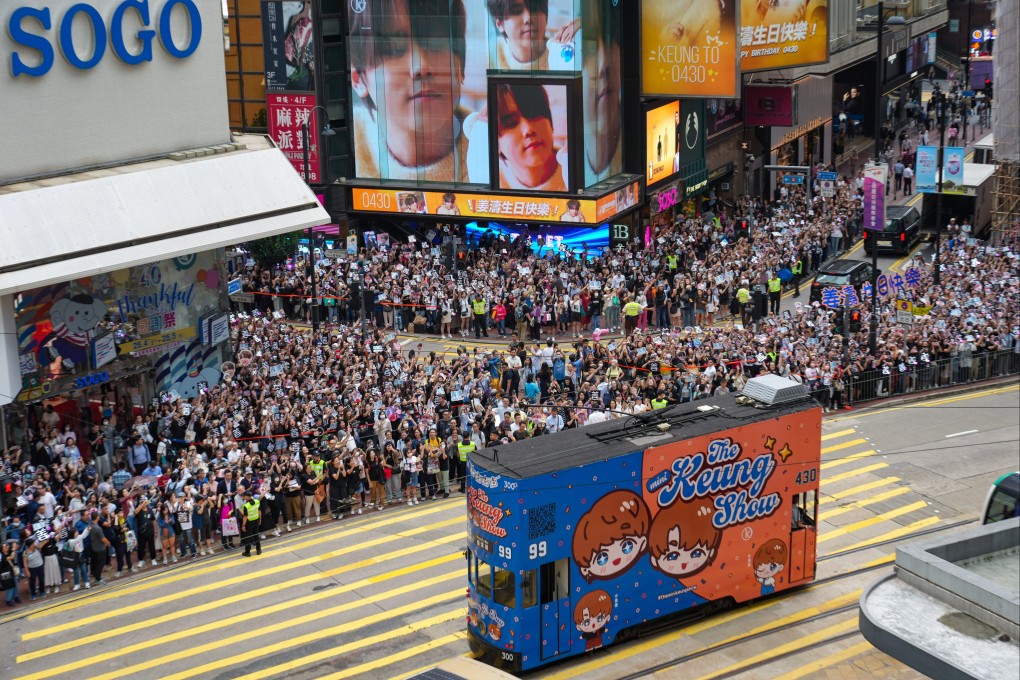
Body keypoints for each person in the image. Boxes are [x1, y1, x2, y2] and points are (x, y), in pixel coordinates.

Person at [349, 0, 477, 183]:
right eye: (394, 49)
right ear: (358, 79)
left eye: (435, 42)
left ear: (460, 63)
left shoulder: (496, 148)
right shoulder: (343, 143)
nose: (421, 66)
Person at [495, 83, 567, 191]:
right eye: (511, 123)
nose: (528, 129)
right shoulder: (489, 179)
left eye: (533, 114)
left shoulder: (572, 170)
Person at [485, 0, 550, 70]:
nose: (529, 18)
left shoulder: (559, 53)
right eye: (516, 11)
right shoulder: (489, 54)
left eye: (535, 8)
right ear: (499, 24)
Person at [240, 490, 262, 557]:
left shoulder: (246, 506)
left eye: (244, 496)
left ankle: (247, 552)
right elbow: (259, 511)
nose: (243, 497)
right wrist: (260, 519)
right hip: (256, 520)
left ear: (247, 497)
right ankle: (258, 550)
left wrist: (243, 525)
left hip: (249, 523)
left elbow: (245, 516)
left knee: (248, 537)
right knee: (256, 536)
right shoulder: (257, 501)